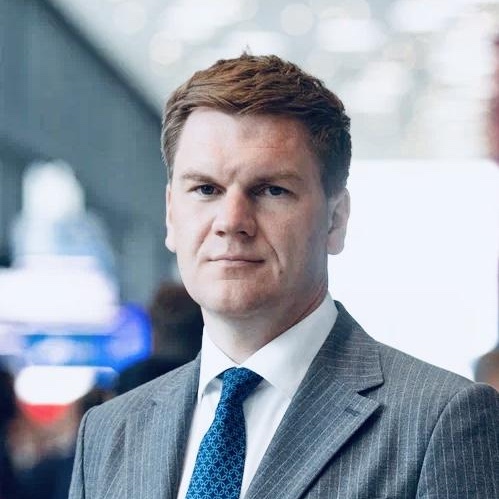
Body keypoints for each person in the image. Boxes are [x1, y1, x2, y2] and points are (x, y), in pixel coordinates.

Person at [69, 54, 499, 498]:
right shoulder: (108, 432)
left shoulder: (438, 422)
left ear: (335, 219)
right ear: (171, 215)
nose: (231, 221)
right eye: (205, 189)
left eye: (272, 190)